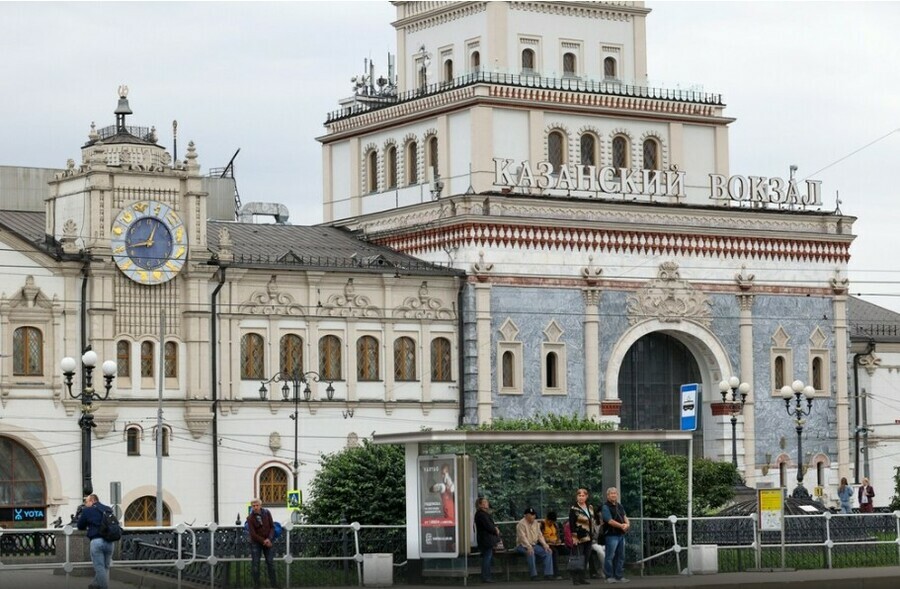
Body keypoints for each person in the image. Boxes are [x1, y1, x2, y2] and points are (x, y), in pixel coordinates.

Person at [76, 493, 114, 589]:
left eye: (86, 501)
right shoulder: (108, 509)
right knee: (105, 567)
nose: (85, 504)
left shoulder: (87, 511)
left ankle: (103, 587)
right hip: (110, 541)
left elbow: (80, 525)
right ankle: (94, 584)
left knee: (99, 567)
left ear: (92, 501)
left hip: (96, 541)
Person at [515, 507, 557, 581]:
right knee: (531, 552)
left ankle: (548, 574)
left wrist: (545, 545)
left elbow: (540, 536)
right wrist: (528, 547)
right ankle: (533, 575)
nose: (533, 516)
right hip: (522, 545)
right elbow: (522, 537)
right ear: (526, 515)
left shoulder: (536, 523)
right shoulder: (521, 524)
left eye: (533, 514)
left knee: (548, 552)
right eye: (531, 515)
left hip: (534, 545)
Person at [246, 498, 278, 589]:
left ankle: (274, 585)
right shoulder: (250, 518)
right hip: (256, 543)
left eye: (257, 505)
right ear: (251, 506)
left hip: (268, 541)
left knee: (270, 563)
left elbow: (272, 527)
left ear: (260, 505)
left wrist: (269, 539)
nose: (255, 507)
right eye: (253, 506)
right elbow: (253, 534)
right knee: (255, 564)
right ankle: (257, 585)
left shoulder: (267, 513)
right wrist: (264, 541)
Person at [601, 487, 630, 583]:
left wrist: (627, 524)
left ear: (617, 495)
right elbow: (609, 521)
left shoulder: (620, 506)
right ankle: (609, 576)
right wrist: (622, 526)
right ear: (608, 495)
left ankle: (619, 576)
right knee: (610, 556)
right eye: (611, 494)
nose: (613, 495)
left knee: (621, 556)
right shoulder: (605, 507)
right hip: (611, 535)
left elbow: (625, 517)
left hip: (621, 535)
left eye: (615, 493)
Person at [568, 488, 594, 586]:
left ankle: (582, 578)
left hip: (589, 536)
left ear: (586, 497)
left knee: (586, 558)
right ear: (577, 497)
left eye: (583, 495)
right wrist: (574, 537)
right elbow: (571, 524)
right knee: (578, 557)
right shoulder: (574, 508)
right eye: (579, 496)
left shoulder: (590, 507)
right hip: (579, 537)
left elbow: (592, 520)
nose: (581, 497)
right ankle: (575, 579)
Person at [474, 497, 501, 584]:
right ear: (480, 504)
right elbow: (488, 526)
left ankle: (486, 576)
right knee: (487, 557)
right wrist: (495, 530)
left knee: (488, 557)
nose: (487, 503)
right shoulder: (481, 514)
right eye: (485, 502)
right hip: (485, 539)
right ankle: (486, 577)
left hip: (485, 539)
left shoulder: (483, 514)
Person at [541, 509, 565, 579]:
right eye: (550, 521)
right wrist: (549, 540)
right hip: (547, 544)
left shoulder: (554, 525)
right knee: (554, 552)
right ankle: (556, 573)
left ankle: (573, 571)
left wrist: (559, 540)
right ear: (547, 519)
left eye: (553, 521)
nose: (551, 523)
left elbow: (557, 535)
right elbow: (540, 537)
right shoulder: (542, 525)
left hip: (555, 543)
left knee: (567, 550)